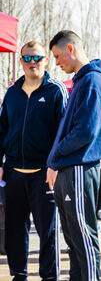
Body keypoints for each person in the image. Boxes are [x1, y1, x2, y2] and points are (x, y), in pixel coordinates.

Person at [46, 30, 101, 281]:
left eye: (58, 55)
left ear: (71, 49)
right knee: (73, 238)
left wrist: (57, 154)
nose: (57, 62)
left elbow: (85, 131)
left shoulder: (93, 80)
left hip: (79, 167)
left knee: (83, 235)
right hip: (70, 167)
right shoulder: (83, 81)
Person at [0, 40, 67, 281]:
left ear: (46, 60)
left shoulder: (56, 90)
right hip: (14, 173)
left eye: (37, 58)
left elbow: (63, 133)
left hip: (44, 174)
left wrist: (55, 165)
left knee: (47, 232)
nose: (32, 63)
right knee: (15, 230)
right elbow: (2, 128)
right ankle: (19, 274)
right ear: (21, 62)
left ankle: (49, 277)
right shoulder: (12, 93)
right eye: (27, 58)